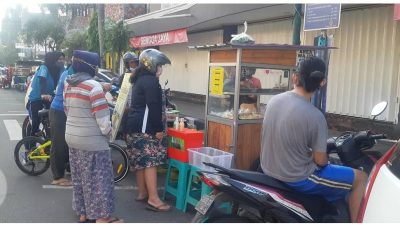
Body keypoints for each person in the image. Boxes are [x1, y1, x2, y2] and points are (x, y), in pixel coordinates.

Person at [260, 57, 367, 222]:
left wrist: (308, 153)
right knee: (360, 178)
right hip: (298, 178)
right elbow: (321, 161)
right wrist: (315, 156)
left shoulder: (274, 101)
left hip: (269, 169)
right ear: (322, 82)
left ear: (296, 77)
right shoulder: (315, 116)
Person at [63, 50, 122, 223]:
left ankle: (83, 213)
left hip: (72, 136)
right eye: (96, 65)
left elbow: (67, 110)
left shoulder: (69, 83)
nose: (97, 68)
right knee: (99, 179)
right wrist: (111, 131)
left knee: (80, 177)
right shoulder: (94, 87)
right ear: (90, 66)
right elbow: (103, 122)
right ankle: (102, 217)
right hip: (92, 141)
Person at [125, 48, 171, 212]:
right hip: (145, 127)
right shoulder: (150, 81)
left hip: (133, 126)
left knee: (140, 162)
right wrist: (158, 129)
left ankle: (142, 193)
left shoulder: (139, 79)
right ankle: (153, 199)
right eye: (159, 64)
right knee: (150, 162)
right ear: (150, 64)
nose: (160, 68)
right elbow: (153, 106)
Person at [26, 51, 65, 136]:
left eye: (63, 59)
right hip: (37, 97)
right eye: (60, 59)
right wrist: (43, 94)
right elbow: (42, 79)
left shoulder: (61, 69)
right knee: (36, 125)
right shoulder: (44, 67)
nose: (62, 61)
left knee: (52, 122)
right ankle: (29, 147)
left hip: (51, 97)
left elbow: (67, 78)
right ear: (53, 59)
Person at [49, 63, 74, 186]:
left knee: (66, 143)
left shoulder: (70, 72)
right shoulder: (70, 75)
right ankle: (57, 177)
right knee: (58, 144)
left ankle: (68, 168)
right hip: (59, 111)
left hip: (62, 111)